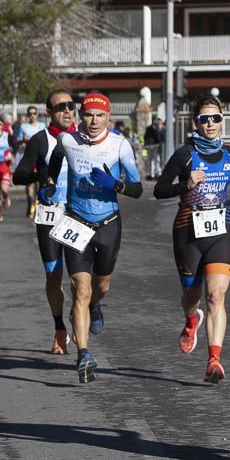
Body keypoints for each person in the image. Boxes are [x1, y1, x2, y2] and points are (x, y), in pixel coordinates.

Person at [41, 92, 143, 383]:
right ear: (80, 116)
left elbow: (137, 189)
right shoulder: (67, 141)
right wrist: (49, 184)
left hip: (108, 224)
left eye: (100, 115)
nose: (94, 121)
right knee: (80, 289)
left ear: (108, 116)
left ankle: (96, 306)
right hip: (76, 221)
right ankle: (83, 353)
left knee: (101, 287)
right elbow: (55, 163)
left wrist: (116, 184)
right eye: (88, 115)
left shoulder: (120, 145)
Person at [155, 96, 230, 383]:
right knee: (191, 296)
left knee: (216, 295)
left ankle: (214, 360)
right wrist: (184, 185)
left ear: (221, 120)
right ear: (195, 122)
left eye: (214, 118)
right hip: (188, 229)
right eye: (203, 119)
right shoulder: (184, 154)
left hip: (221, 227)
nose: (210, 124)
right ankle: (191, 321)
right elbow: (160, 190)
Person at [12, 91, 77, 354]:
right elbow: (19, 176)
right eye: (60, 107)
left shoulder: (84, 137)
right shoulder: (41, 140)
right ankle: (60, 327)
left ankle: (84, 313)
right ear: (48, 112)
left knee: (81, 279)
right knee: (54, 275)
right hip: (49, 215)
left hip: (78, 215)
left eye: (71, 106)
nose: (67, 111)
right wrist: (42, 176)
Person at [18, 106, 47, 217]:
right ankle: (30, 203)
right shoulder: (23, 127)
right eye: (30, 113)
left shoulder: (42, 126)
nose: (32, 115)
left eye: (34, 113)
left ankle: (37, 205)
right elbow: (19, 143)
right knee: (29, 184)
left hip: (40, 158)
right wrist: (23, 140)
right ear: (27, 115)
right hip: (29, 158)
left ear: (37, 115)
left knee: (40, 183)